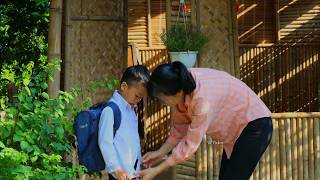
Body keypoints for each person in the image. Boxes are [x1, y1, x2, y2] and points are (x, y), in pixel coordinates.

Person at [139, 61, 273, 180]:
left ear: (178, 93)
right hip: (237, 131)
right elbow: (179, 129)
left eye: (162, 99)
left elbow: (189, 146)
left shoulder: (202, 101)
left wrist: (156, 170)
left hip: (255, 124)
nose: (162, 103)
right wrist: (160, 152)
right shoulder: (180, 83)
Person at [99, 65, 150, 180]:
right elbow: (105, 143)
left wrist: (140, 162)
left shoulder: (131, 110)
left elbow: (133, 141)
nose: (139, 100)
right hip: (120, 175)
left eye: (141, 98)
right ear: (124, 86)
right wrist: (116, 168)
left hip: (132, 174)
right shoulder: (110, 110)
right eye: (137, 96)